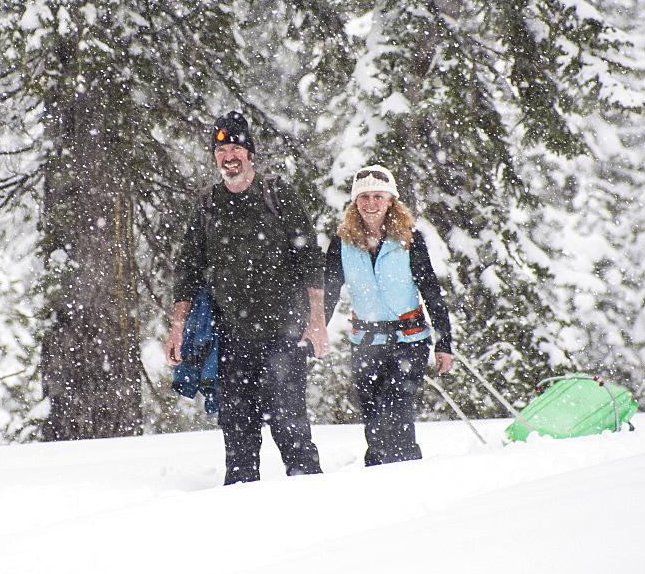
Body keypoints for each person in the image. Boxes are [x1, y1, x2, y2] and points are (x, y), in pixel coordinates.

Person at [165, 111, 327, 485]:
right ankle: (239, 517)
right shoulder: (208, 203)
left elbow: (309, 257)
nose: (229, 156)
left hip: (283, 335)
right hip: (232, 339)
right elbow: (187, 269)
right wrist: (177, 330)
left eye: (236, 147)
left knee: (291, 430)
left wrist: (316, 320)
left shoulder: (276, 194)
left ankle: (316, 508)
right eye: (221, 150)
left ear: (250, 154)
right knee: (238, 436)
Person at [324, 164, 454, 467]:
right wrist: (315, 331)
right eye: (364, 197)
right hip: (366, 341)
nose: (371, 203)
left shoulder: (409, 239)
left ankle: (407, 470)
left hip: (409, 339)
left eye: (378, 197)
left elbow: (431, 290)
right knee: (372, 415)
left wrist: (444, 342)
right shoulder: (342, 243)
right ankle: (379, 472)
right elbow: (328, 294)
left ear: (391, 200)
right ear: (355, 203)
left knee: (396, 410)